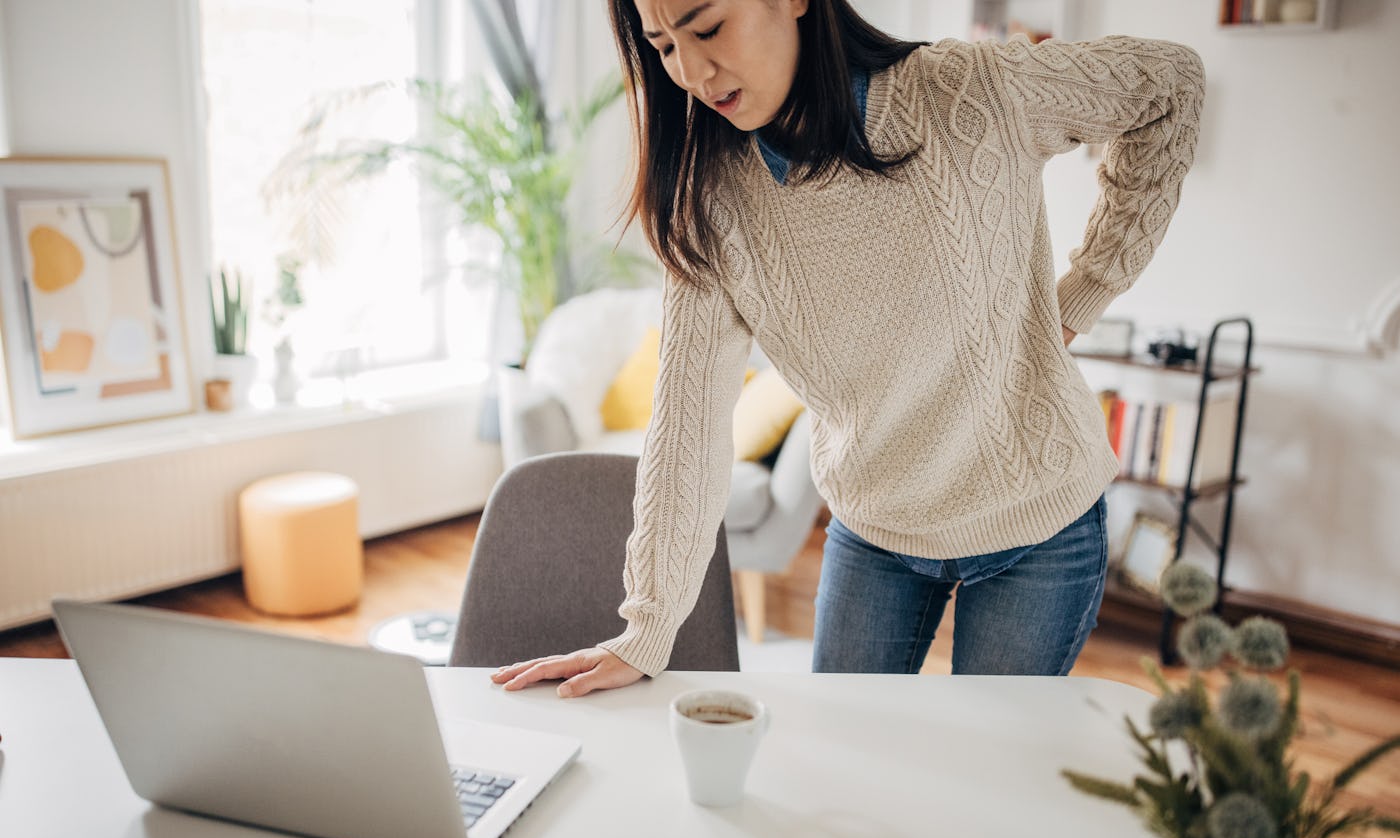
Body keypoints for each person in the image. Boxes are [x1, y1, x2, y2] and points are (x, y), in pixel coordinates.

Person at [492, 0, 1204, 697]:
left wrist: (1084, 291)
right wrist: (645, 631)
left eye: (708, 26)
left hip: (1039, 521)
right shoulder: (711, 206)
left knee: (986, 782)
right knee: (840, 775)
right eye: (665, 46)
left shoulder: (971, 91)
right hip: (876, 527)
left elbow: (1170, 84)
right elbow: (686, 426)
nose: (694, 72)